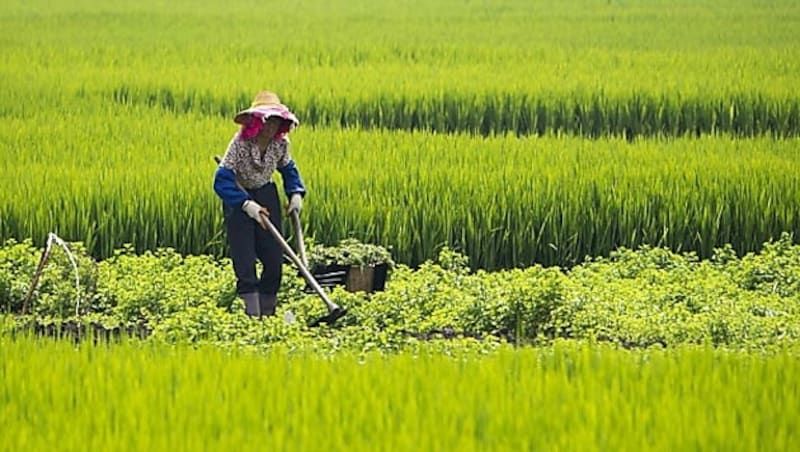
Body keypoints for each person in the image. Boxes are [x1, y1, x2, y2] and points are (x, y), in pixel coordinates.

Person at [213, 91, 306, 318]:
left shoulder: (281, 144)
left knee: (274, 257)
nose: (271, 126)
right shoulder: (240, 144)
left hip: (266, 195)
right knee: (244, 258)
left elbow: (289, 170)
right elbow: (221, 180)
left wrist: (295, 194)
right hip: (239, 198)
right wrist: (247, 205)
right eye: (267, 120)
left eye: (276, 121)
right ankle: (252, 315)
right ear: (257, 121)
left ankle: (268, 313)